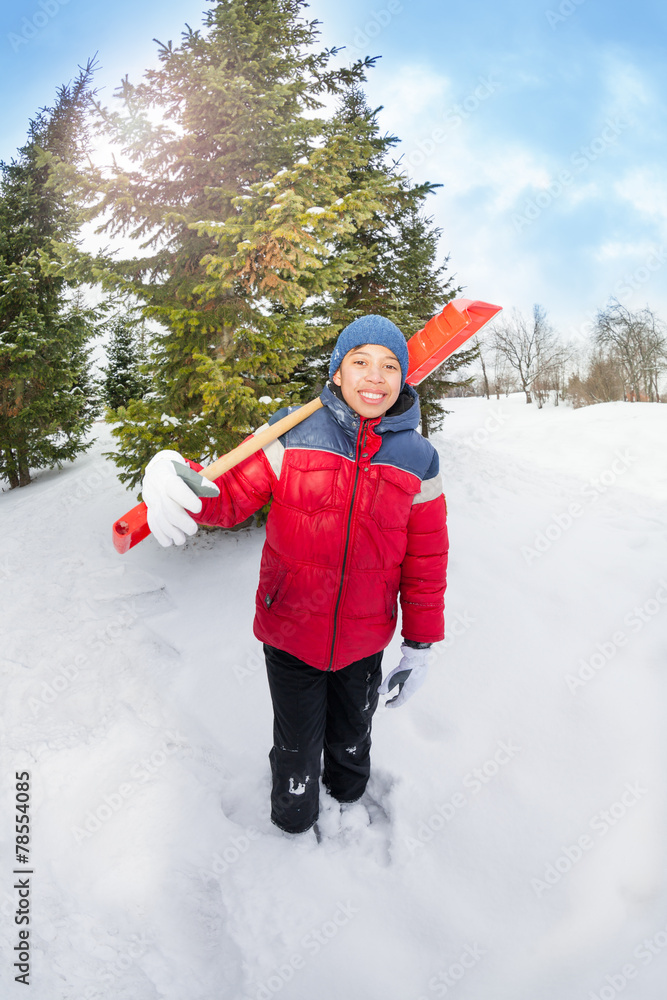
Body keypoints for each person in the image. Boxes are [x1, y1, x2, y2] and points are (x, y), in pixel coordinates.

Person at [142, 315, 449, 835]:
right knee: (296, 746)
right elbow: (228, 493)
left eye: (389, 366)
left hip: (366, 637)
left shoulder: (418, 458)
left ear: (404, 380)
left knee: (353, 736)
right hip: (290, 632)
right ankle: (292, 827)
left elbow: (426, 558)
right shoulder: (293, 431)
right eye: (360, 362)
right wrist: (175, 477)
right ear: (336, 373)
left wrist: (419, 645)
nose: (375, 377)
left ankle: (348, 799)